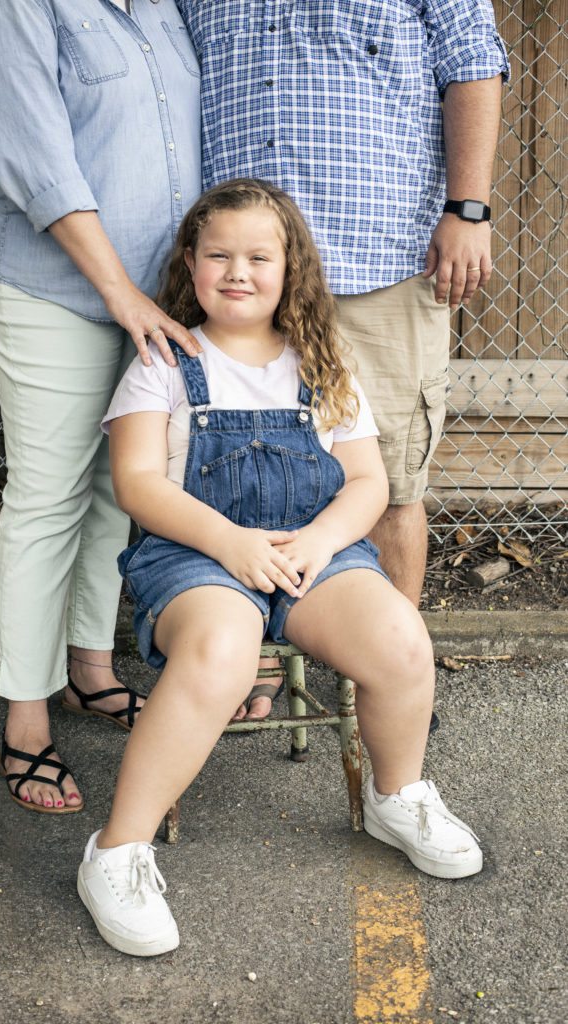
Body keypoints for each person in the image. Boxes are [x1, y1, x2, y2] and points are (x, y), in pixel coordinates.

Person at [77, 179, 483, 958]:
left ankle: (396, 796)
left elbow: (368, 483)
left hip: (310, 552)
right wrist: (230, 542)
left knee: (400, 641)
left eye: (258, 256)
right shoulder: (165, 362)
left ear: (289, 266)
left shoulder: (322, 362)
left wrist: (324, 542)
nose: (238, 271)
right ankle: (117, 851)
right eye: (218, 255)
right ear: (189, 265)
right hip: (197, 556)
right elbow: (138, 483)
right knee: (222, 654)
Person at [176, 2, 510, 717]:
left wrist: (469, 208)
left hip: (379, 256)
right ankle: (254, 655)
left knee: (387, 476)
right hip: (244, 274)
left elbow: (473, 62)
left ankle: (386, 671)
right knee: (240, 474)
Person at [0, 0, 202, 813]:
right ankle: (24, 723)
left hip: (150, 296)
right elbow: (38, 162)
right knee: (49, 494)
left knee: (110, 491)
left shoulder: (161, 7)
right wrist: (119, 292)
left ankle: (88, 672)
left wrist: (153, 293)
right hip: (50, 289)